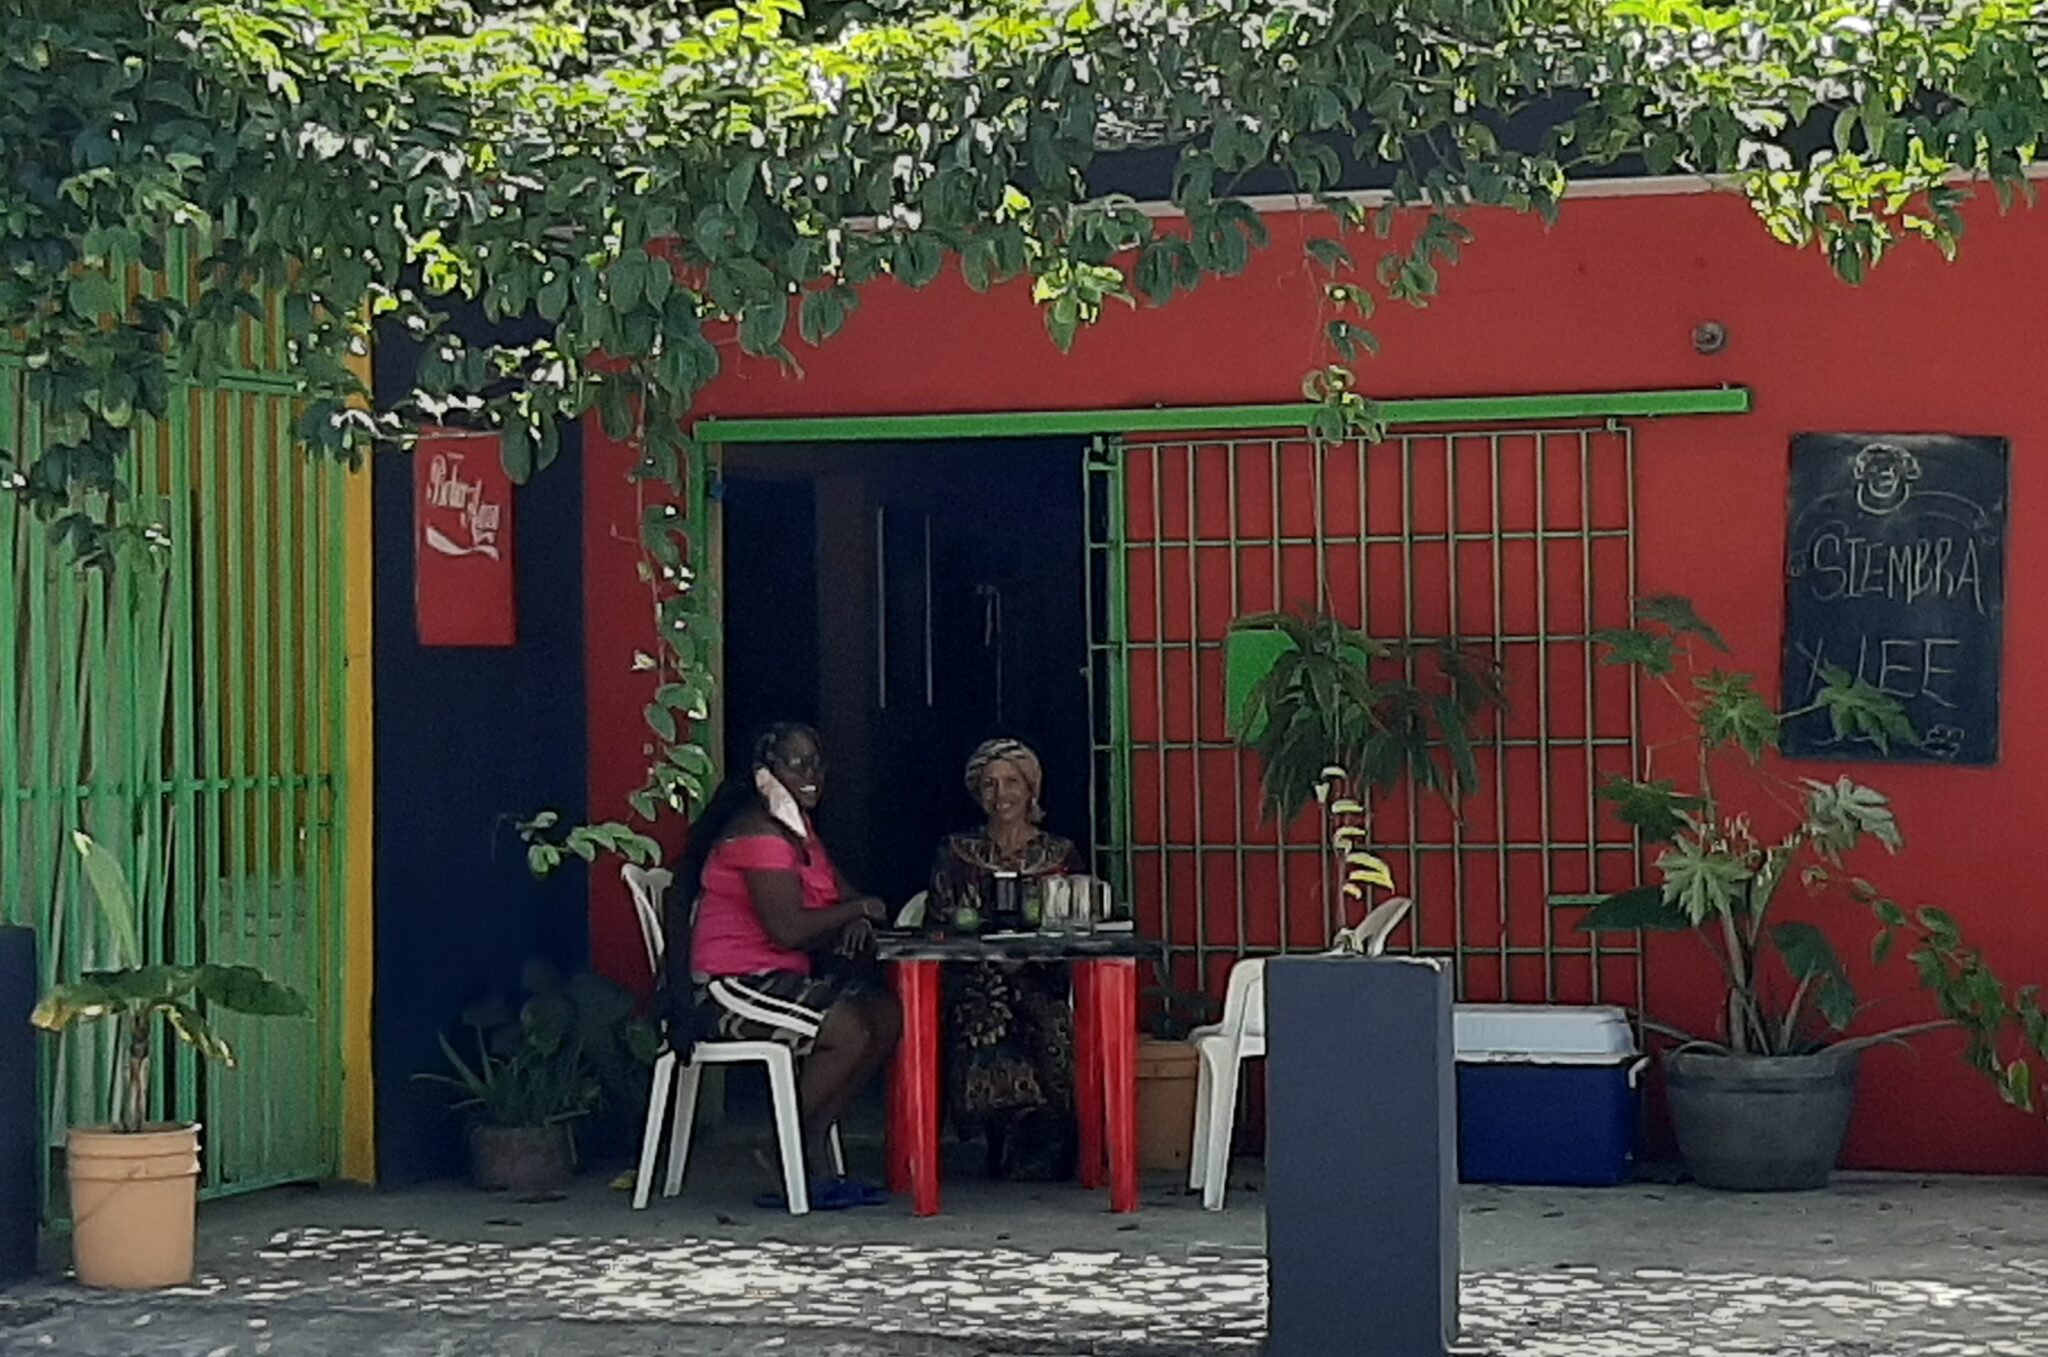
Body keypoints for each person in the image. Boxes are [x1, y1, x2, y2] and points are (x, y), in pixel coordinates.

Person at [658, 722, 901, 1211]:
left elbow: (842, 893)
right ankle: (779, 1143)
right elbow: (789, 930)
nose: (811, 775)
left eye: (817, 764)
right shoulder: (760, 835)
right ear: (764, 774)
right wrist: (856, 911)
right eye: (796, 763)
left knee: (886, 1015)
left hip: (776, 978)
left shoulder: (797, 830)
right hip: (728, 986)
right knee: (849, 1029)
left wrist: (855, 912)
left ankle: (809, 1138)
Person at [927, 738, 1083, 1181]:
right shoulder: (956, 851)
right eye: (989, 784)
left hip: (1041, 974)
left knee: (1048, 1015)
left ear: (1031, 788)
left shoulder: (1060, 854)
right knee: (986, 1008)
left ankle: (1050, 1134)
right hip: (974, 973)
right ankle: (1007, 1130)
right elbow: (939, 920)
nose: (1001, 795)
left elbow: (1073, 921)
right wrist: (987, 954)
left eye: (1012, 782)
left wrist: (1029, 959)